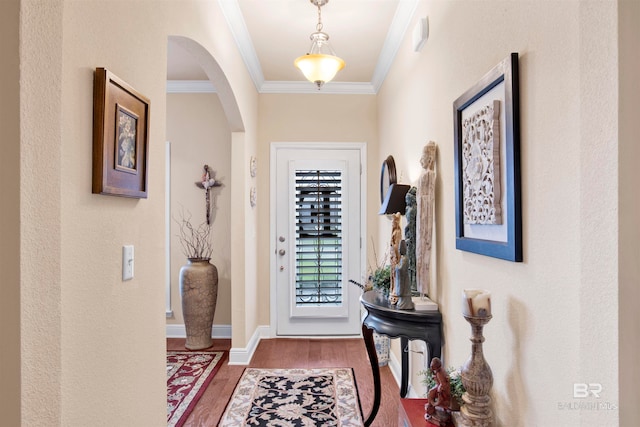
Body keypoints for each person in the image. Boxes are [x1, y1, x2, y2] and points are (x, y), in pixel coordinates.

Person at [425, 357, 452, 426]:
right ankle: (431, 405)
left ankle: (432, 406)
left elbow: (443, 384)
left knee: (431, 393)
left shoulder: (440, 373)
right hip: (439, 387)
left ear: (436, 366)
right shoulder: (437, 372)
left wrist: (439, 388)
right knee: (431, 392)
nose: (431, 367)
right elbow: (439, 382)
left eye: (432, 366)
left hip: (442, 390)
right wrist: (435, 379)